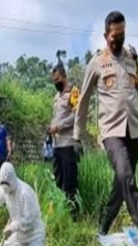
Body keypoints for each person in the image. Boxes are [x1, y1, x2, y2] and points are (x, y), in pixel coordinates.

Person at [73, 11, 138, 246]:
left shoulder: (132, 58)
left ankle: (102, 227)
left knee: (121, 183)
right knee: (126, 176)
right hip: (111, 132)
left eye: (122, 36)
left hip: (133, 130)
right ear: (105, 36)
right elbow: (83, 102)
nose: (118, 42)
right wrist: (78, 136)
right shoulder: (96, 64)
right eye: (114, 38)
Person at [49, 63, 80, 219]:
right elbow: (57, 116)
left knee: (70, 181)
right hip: (56, 145)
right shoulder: (56, 97)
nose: (56, 82)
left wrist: (59, 126)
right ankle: (62, 213)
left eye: (58, 79)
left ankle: (74, 215)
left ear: (64, 76)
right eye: (54, 80)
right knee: (59, 180)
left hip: (68, 144)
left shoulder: (73, 92)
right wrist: (52, 127)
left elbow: (76, 116)